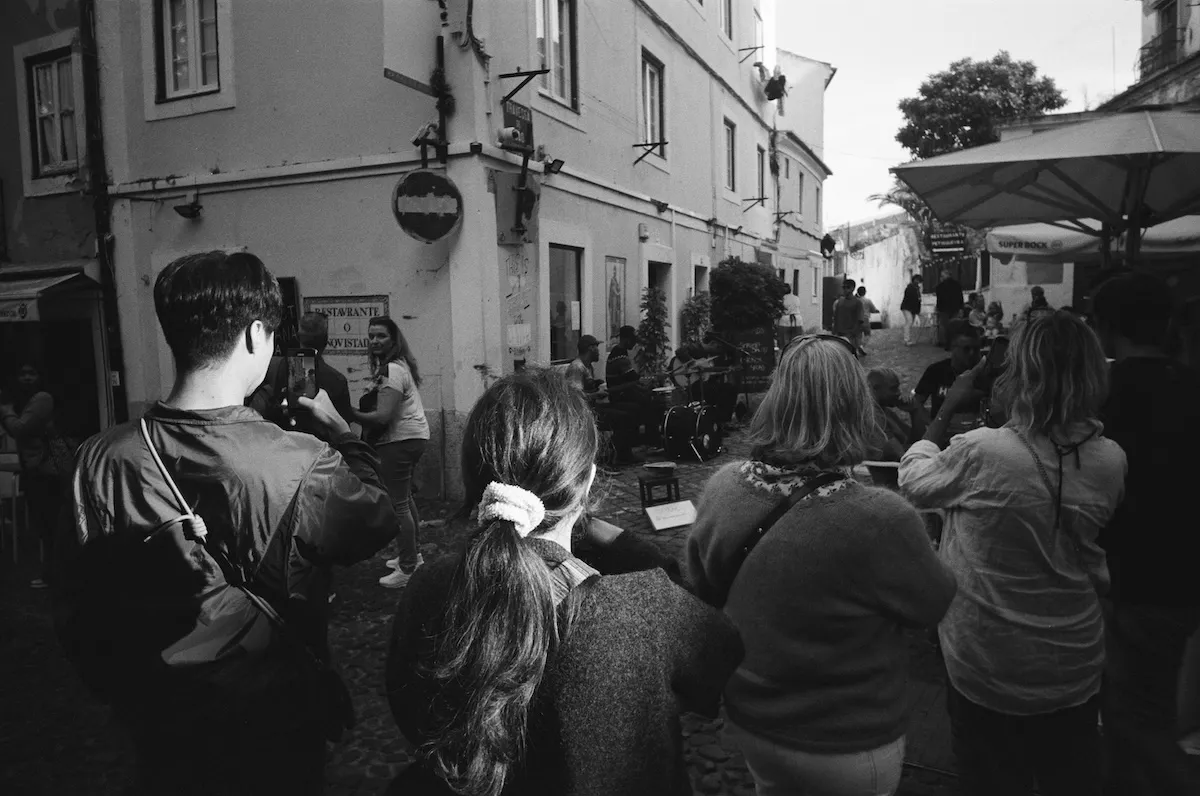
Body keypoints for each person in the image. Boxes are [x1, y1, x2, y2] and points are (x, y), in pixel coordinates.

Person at [54, 250, 396, 796]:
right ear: (257, 334)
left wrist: (127, 692)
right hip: (273, 719)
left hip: (158, 723)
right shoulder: (300, 460)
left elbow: (76, 604)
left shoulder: (98, 459)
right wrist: (343, 435)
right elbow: (376, 518)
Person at [386, 370, 743, 796]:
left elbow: (409, 710)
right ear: (587, 481)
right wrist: (621, 543)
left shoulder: (429, 586)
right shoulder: (644, 607)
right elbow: (721, 654)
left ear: (474, 480)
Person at [684, 335, 957, 796]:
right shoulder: (881, 518)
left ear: (776, 400)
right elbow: (933, 604)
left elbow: (702, 588)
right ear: (855, 408)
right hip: (847, 739)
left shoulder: (723, 488)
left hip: (753, 721)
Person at [898, 311, 1127, 796]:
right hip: (1074, 660)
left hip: (988, 663)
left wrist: (948, 407)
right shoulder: (1110, 459)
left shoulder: (983, 451)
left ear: (1022, 374)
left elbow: (913, 480)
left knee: (992, 778)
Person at [1089, 272, 1200, 796]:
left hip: (1133, 582)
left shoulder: (1104, 397)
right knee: (1131, 712)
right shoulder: (1190, 385)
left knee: (1137, 719)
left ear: (1107, 329)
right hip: (1180, 577)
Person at [352, 317, 431, 589]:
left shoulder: (392, 370)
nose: (374, 341)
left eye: (381, 336)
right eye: (371, 336)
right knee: (405, 499)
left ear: (393, 339)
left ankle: (408, 568)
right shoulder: (397, 366)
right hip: (411, 437)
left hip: (399, 440)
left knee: (398, 505)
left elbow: (382, 416)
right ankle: (413, 556)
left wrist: (347, 413)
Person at [0, 361, 66, 589]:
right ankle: (54, 572)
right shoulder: (28, 401)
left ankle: (56, 574)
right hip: (37, 468)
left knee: (49, 523)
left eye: (32, 373)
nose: (27, 378)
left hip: (45, 470)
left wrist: (6, 411)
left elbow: (20, 428)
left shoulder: (41, 399)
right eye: (22, 374)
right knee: (45, 523)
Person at [566, 335, 640, 464]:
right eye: (597, 347)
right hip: (584, 413)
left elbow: (586, 387)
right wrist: (596, 395)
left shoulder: (588, 366)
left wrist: (596, 384)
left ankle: (620, 451)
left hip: (592, 408)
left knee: (631, 409)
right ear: (591, 349)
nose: (599, 351)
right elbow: (574, 396)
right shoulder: (577, 367)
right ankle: (618, 456)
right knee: (621, 417)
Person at [913, 320, 985, 440]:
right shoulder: (936, 371)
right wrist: (932, 425)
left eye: (976, 349)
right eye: (966, 349)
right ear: (952, 348)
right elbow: (917, 402)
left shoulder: (984, 373)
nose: (972, 353)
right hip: (944, 433)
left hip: (975, 436)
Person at [866, 368, 928, 462]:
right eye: (893, 388)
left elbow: (919, 441)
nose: (899, 392)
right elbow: (903, 458)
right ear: (875, 388)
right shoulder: (873, 416)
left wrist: (914, 411)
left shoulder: (885, 411)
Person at [832, 279, 865, 357]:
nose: (845, 289)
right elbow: (835, 317)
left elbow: (860, 320)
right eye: (843, 287)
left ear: (853, 288)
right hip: (839, 335)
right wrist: (834, 332)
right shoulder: (839, 302)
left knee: (851, 357)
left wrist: (853, 334)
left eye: (847, 287)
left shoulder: (858, 303)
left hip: (851, 336)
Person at [935, 268, 965, 349]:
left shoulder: (939, 286)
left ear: (946, 275)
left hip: (944, 309)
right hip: (955, 308)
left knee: (945, 326)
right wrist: (961, 307)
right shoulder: (957, 285)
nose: (941, 277)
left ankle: (946, 343)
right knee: (954, 325)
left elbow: (939, 299)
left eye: (942, 276)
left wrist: (938, 308)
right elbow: (960, 297)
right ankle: (954, 342)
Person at [776, 284, 804, 351]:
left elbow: (779, 311)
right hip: (797, 320)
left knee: (784, 341)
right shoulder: (796, 298)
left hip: (785, 321)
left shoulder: (781, 299)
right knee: (797, 341)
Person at [901, 274, 923, 346]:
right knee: (909, 322)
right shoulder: (910, 288)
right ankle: (906, 340)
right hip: (907, 307)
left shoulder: (917, 289)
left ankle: (908, 339)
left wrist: (917, 310)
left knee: (910, 323)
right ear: (914, 280)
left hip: (912, 308)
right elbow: (912, 299)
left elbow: (918, 300)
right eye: (918, 280)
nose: (919, 282)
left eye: (919, 281)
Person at [856, 285, 878, 355]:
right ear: (865, 292)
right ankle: (862, 346)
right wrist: (876, 311)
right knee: (867, 334)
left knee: (858, 335)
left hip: (856, 320)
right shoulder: (868, 301)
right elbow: (873, 310)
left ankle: (859, 345)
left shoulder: (855, 301)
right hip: (865, 319)